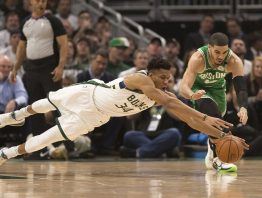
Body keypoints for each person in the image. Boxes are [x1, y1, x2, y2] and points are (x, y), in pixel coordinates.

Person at [0, 58, 248, 165]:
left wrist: (220, 135)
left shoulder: (163, 94)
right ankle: (15, 117)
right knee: (44, 104)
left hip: (95, 116)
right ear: (150, 73)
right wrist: (204, 115)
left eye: (168, 78)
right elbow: (172, 104)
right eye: (162, 77)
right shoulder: (140, 79)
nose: (166, 81)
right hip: (89, 94)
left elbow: (189, 119)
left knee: (46, 139)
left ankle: (7, 153)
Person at [180, 32, 249, 172]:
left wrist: (243, 107)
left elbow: (240, 88)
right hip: (198, 90)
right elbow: (183, 87)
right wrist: (192, 95)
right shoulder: (198, 58)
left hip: (218, 89)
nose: (220, 56)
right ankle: (219, 160)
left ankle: (212, 148)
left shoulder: (234, 61)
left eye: (224, 52)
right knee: (214, 117)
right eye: (217, 52)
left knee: (218, 122)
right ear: (209, 47)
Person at [9, 0, 68, 159]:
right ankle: (38, 149)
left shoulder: (53, 21)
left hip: (49, 69)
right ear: (31, 3)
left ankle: (66, 145)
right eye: (38, 0)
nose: (41, 3)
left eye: (44, 0)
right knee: (34, 109)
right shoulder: (25, 23)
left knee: (56, 106)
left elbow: (63, 44)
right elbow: (22, 47)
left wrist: (61, 66)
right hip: (31, 70)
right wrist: (15, 68)